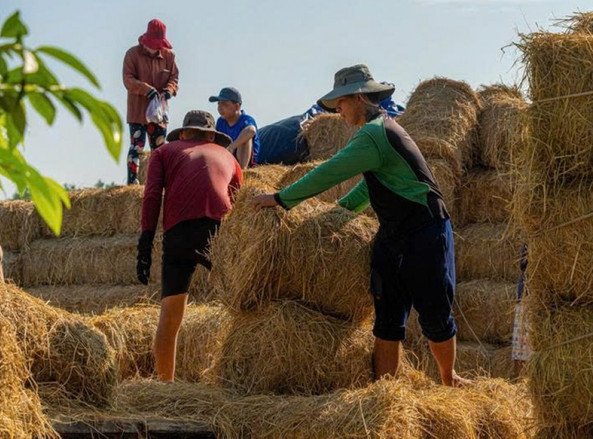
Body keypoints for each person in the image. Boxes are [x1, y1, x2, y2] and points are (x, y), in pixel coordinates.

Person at [252, 64, 467, 387]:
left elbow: (330, 171)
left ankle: (448, 379)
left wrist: (281, 198)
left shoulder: (376, 133)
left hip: (425, 231)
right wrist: (340, 213)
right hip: (393, 235)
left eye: (340, 103)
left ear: (357, 98)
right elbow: (371, 186)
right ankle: (385, 392)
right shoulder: (377, 133)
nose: (337, 110)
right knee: (387, 320)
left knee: (435, 313)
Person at [136, 110, 242, 382]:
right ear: (211, 136)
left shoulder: (164, 152)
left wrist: (145, 241)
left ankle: (165, 385)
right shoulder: (229, 157)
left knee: (170, 316)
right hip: (216, 233)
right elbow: (240, 204)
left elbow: (151, 195)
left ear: (182, 133)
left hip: (178, 234)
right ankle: (233, 377)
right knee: (240, 308)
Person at [123, 18, 179, 185]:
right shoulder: (132, 54)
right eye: (151, 44)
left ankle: (161, 182)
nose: (154, 48)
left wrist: (169, 90)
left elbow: (174, 78)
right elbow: (128, 80)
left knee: (160, 149)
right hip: (137, 111)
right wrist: (146, 89)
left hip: (158, 113)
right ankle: (132, 183)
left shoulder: (169, 56)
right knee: (136, 147)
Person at [209, 87, 259, 170]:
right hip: (228, 160)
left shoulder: (246, 119)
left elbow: (251, 130)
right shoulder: (221, 121)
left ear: (236, 106)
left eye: (224, 104)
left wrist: (231, 147)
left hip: (246, 162)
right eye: (219, 104)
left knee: (245, 139)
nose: (220, 107)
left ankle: (243, 172)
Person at [512, 242, 531, 377]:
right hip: (528, 296)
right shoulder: (531, 239)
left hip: (545, 301)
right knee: (522, 350)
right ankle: (520, 384)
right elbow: (523, 264)